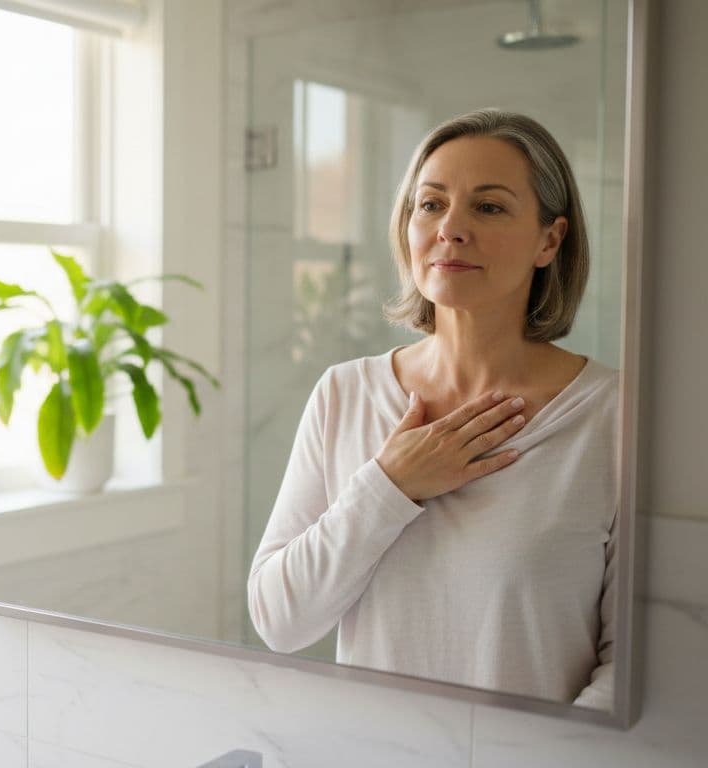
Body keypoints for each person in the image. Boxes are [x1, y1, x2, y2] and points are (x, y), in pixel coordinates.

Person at [247, 109, 616, 709]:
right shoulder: (343, 395)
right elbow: (279, 621)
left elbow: (634, 663)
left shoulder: (614, 418)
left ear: (550, 240)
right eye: (431, 204)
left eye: (488, 206)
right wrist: (388, 485)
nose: (451, 229)